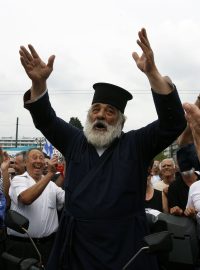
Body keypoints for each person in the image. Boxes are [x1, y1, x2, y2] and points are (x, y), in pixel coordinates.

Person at [19, 28, 186, 270]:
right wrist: (38, 83)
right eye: (96, 109)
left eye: (109, 111)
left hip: (123, 246)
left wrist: (152, 74)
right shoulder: (74, 141)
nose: (100, 115)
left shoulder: (135, 145)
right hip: (75, 246)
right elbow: (45, 118)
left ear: (120, 121)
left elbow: (173, 123)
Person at [6, 148, 65, 268]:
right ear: (26, 163)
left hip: (48, 247)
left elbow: (69, 200)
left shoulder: (52, 185)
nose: (38, 160)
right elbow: (26, 199)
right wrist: (49, 174)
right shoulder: (18, 180)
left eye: (41, 158)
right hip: (22, 247)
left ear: (45, 163)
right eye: (34, 157)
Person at [168, 143, 200, 216]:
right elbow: (173, 210)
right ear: (176, 166)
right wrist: (178, 211)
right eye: (180, 162)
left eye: (188, 161)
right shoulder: (173, 187)